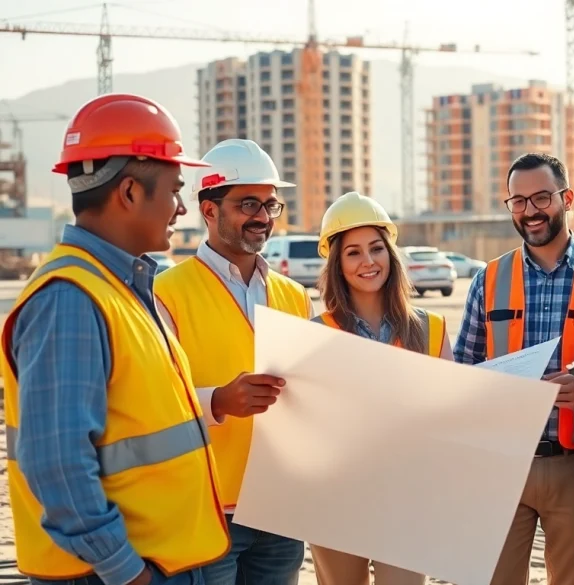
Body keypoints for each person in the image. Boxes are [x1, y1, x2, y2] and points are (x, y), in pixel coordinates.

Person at [0, 93, 229, 585]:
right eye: (174, 190)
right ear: (128, 192)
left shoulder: (120, 287)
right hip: (116, 574)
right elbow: (56, 462)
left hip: (162, 563)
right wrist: (127, 572)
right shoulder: (72, 299)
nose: (181, 208)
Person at [154, 138, 313, 585]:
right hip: (205, 510)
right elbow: (153, 404)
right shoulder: (167, 293)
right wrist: (219, 401)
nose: (263, 217)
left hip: (280, 511)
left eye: (270, 204)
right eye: (248, 203)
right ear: (209, 209)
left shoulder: (294, 295)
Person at [454, 153, 574, 585]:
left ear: (566, 198)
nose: (530, 211)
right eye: (518, 201)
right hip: (502, 463)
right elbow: (463, 370)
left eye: (540, 198)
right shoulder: (489, 279)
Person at [307, 190, 452, 585]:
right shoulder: (316, 335)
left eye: (376, 248)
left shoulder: (430, 329)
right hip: (337, 501)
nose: (368, 261)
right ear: (337, 263)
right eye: (353, 252)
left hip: (406, 501)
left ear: (391, 253)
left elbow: (450, 418)